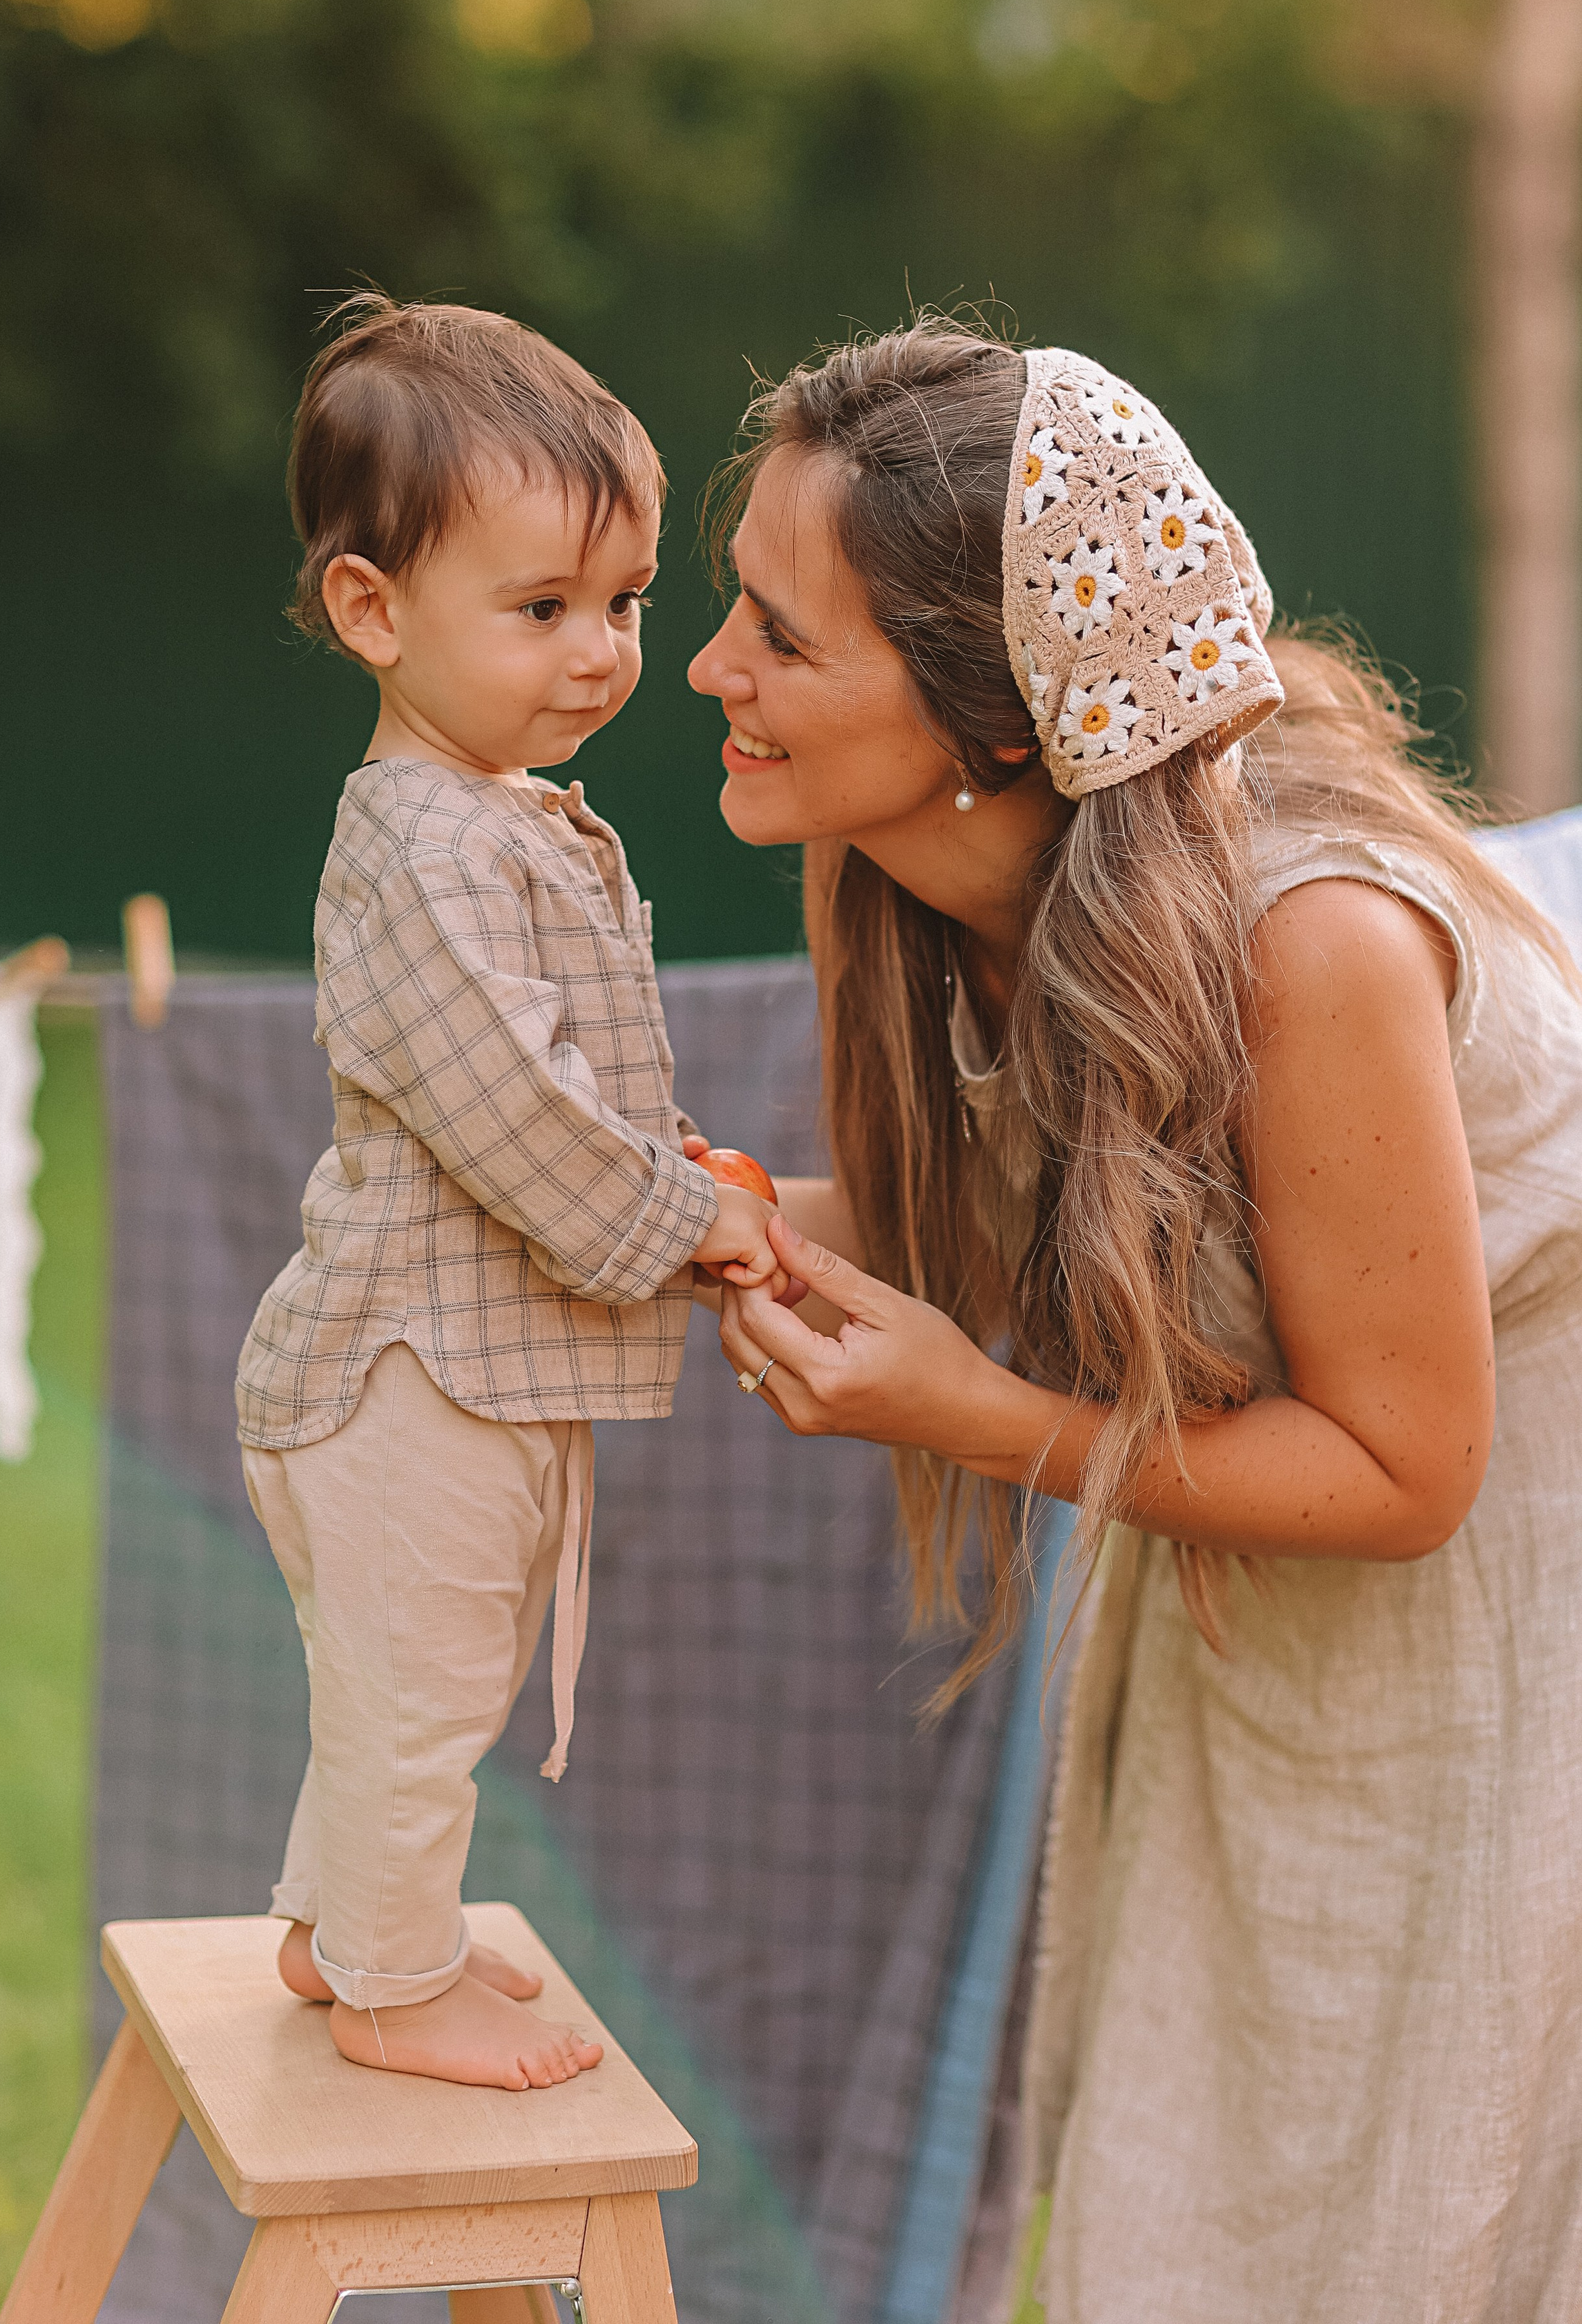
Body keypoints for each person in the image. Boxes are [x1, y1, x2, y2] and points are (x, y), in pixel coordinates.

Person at [689, 318, 1582, 2320]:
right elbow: (1010, 1231)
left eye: (781, 635)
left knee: (1423, 2212)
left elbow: (1409, 1466)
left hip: (1518, 1637)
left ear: (996, 724)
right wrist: (673, 1215)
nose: (711, 669)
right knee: (1212, 2190)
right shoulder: (947, 883)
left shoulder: (1307, 942)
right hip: (1263, 1607)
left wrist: (976, 1414)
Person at [235, 298, 790, 2091]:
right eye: (542, 609)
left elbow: (565, 1078)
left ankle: (342, 1930)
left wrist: (674, 1164)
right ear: (372, 611)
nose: (602, 654)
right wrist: (680, 1220)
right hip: (412, 1375)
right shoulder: (427, 851)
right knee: (424, 1690)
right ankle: (397, 1990)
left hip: (466, 1366)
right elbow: (519, 1119)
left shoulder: (492, 820)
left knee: (410, 1676)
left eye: (624, 604)